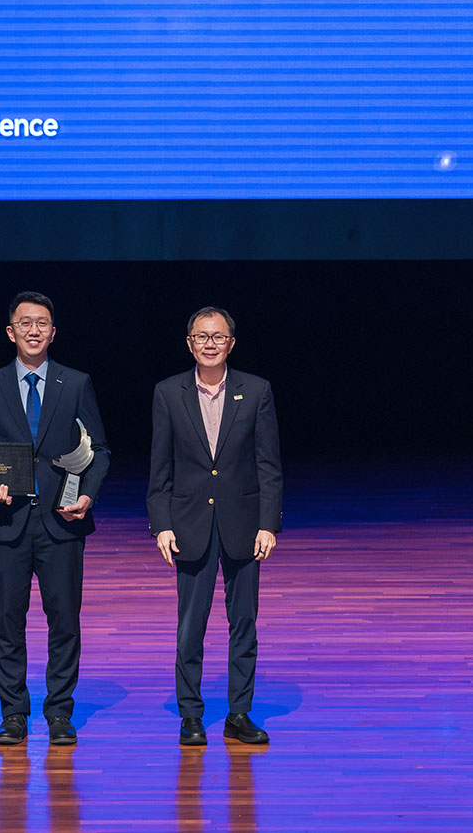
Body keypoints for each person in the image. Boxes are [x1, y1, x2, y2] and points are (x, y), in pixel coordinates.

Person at [0, 291, 110, 746]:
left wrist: (87, 496)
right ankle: (13, 714)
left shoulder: (77, 382)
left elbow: (99, 451)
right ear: (11, 332)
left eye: (42, 323)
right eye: (25, 323)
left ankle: (59, 713)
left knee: (64, 620)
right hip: (6, 524)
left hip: (62, 522)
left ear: (53, 332)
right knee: (7, 622)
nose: (33, 330)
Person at [147, 306, 282, 746]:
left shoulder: (256, 391)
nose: (209, 343)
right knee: (192, 625)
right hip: (190, 525)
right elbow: (160, 469)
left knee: (244, 623)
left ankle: (239, 713)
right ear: (190, 343)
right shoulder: (169, 393)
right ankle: (190, 715)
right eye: (201, 337)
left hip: (244, 524)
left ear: (231, 344)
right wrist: (161, 525)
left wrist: (269, 524)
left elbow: (268, 465)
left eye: (218, 336)